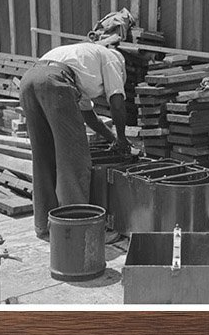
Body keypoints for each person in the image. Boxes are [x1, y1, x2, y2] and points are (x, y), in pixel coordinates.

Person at [19, 41, 130, 240]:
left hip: (29, 80)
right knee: (74, 160)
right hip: (55, 82)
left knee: (44, 157)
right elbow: (117, 103)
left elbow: (89, 117)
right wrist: (122, 139)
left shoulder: (83, 63)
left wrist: (111, 138)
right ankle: (78, 230)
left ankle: (43, 224)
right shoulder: (113, 59)